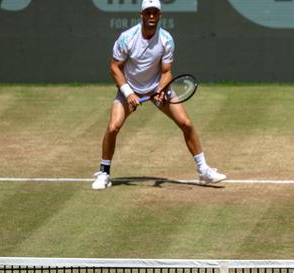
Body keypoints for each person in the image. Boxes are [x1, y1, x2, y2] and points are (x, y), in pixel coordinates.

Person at [91, 0, 226, 190]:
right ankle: (103, 173)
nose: (152, 16)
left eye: (155, 13)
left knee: (186, 124)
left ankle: (204, 171)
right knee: (113, 127)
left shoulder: (166, 39)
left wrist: (161, 90)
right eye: (148, 12)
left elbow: (166, 71)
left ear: (160, 15)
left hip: (156, 86)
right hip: (130, 89)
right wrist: (128, 93)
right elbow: (115, 68)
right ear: (141, 15)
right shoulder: (127, 38)